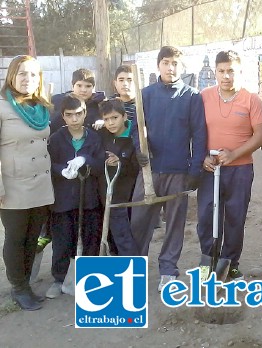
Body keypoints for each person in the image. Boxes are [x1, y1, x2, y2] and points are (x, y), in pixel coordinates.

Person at [129, 46, 207, 292]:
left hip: (178, 172)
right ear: (158, 66)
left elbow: (200, 135)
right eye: (166, 63)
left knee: (174, 223)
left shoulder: (192, 97)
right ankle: (135, 268)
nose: (170, 68)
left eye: (175, 63)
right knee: (139, 221)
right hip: (149, 172)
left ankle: (168, 269)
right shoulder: (146, 95)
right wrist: (139, 150)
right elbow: (135, 128)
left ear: (181, 67)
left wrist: (195, 170)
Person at [198, 50, 262, 281]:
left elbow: (261, 135)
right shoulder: (204, 97)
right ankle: (209, 261)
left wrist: (235, 154)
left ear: (239, 72)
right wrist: (202, 157)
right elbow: (194, 132)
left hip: (240, 169)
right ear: (215, 73)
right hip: (210, 169)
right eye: (221, 71)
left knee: (235, 218)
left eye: (231, 71)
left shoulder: (251, 100)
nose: (226, 76)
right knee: (207, 216)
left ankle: (231, 264)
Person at [0, 55, 54, 310]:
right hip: (13, 185)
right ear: (11, 76)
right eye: (21, 73)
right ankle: (18, 288)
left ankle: (27, 285)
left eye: (33, 74)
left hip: (41, 184)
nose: (27, 79)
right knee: (16, 237)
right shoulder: (2, 107)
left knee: (33, 238)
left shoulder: (42, 107)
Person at [46, 94, 105, 299]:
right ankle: (60, 278)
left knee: (90, 238)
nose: (74, 119)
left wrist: (85, 159)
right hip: (63, 200)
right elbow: (49, 164)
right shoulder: (56, 139)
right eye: (69, 115)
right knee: (63, 239)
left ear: (84, 114)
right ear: (62, 116)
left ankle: (87, 276)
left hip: (89, 199)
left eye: (78, 114)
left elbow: (100, 165)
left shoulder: (94, 138)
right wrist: (62, 170)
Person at [98, 99, 139, 256]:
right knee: (110, 237)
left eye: (114, 118)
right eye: (106, 119)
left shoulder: (134, 138)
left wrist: (120, 162)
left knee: (124, 236)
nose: (110, 123)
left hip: (124, 196)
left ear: (124, 117)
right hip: (105, 195)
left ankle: (133, 272)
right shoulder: (102, 135)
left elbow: (136, 167)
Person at [50, 68, 106, 133]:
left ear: (93, 88)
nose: (83, 90)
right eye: (79, 85)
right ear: (73, 85)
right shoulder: (58, 101)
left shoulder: (101, 104)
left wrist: (104, 122)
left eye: (88, 86)